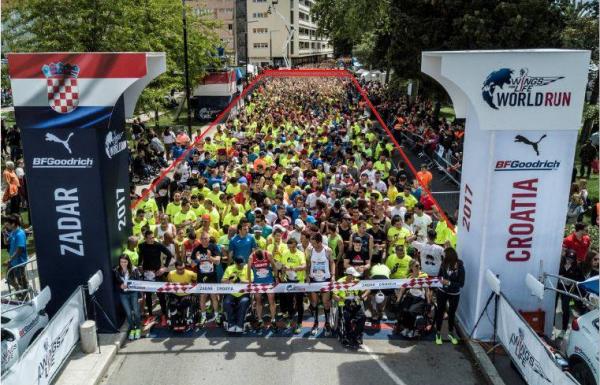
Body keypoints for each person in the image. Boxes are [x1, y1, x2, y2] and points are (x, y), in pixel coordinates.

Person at [138, 230, 174, 327]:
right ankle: (150, 315)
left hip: (157, 273)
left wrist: (164, 268)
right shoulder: (141, 246)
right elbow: (140, 258)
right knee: (148, 296)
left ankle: (163, 315)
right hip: (147, 273)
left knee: (161, 296)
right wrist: (139, 266)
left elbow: (170, 255)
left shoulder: (158, 245)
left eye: (152, 237)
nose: (151, 240)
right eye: (149, 238)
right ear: (145, 238)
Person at [306, 233, 335, 336]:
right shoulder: (310, 250)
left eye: (313, 242)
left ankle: (327, 323)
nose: (311, 244)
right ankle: (315, 323)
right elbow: (308, 263)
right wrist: (307, 275)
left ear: (319, 242)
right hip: (314, 279)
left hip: (325, 279)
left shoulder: (327, 250)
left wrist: (333, 275)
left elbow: (332, 262)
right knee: (314, 302)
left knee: (325, 302)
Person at [332, 267, 368, 349]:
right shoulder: (340, 282)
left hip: (355, 303)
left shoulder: (357, 281)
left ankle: (355, 335)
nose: (354, 278)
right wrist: (341, 299)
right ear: (348, 275)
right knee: (346, 318)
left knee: (363, 317)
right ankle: (347, 336)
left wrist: (362, 296)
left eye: (355, 276)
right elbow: (334, 295)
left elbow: (367, 289)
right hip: (344, 304)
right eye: (353, 276)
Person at [435, 248, 465, 345]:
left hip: (454, 294)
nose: (443, 256)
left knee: (452, 314)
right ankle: (438, 333)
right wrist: (440, 280)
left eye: (444, 255)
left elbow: (461, 284)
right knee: (440, 311)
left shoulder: (460, 266)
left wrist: (449, 282)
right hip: (442, 291)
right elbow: (439, 276)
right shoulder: (444, 263)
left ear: (450, 256)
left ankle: (451, 333)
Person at [190, 232, 222, 325]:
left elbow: (218, 262)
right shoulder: (197, 249)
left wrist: (209, 257)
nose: (204, 240)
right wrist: (197, 259)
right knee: (203, 296)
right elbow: (192, 264)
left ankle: (216, 315)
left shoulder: (214, 247)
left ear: (209, 238)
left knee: (214, 296)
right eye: (202, 239)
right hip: (201, 276)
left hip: (212, 275)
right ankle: (203, 316)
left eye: (206, 238)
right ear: (200, 239)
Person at [395, 259, 432, 338]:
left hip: (419, 298)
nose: (419, 267)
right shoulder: (409, 277)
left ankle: (411, 329)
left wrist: (429, 302)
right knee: (404, 310)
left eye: (419, 265)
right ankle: (407, 328)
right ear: (411, 267)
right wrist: (398, 300)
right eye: (416, 266)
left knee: (411, 311)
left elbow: (427, 290)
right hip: (410, 297)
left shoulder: (424, 276)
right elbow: (402, 290)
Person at [278, 237, 307, 334]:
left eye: (291, 246)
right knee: (289, 301)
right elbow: (282, 266)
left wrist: (294, 268)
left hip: (299, 281)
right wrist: (282, 275)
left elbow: (304, 266)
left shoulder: (300, 254)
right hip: (288, 280)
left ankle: (299, 322)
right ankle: (290, 318)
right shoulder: (285, 253)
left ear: (295, 244)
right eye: (288, 246)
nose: (290, 248)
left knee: (299, 302)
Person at [114, 255, 142, 340]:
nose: (123, 264)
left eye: (125, 262)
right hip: (123, 294)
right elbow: (115, 283)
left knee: (136, 312)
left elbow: (138, 282)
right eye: (121, 262)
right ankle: (132, 329)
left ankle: (138, 328)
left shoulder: (134, 269)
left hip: (133, 293)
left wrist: (140, 296)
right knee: (128, 313)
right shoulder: (116, 270)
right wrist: (120, 286)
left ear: (128, 262)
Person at [247, 249, 277, 329]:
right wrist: (250, 281)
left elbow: (274, 265)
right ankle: (260, 320)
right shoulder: (251, 257)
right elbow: (248, 269)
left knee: (272, 301)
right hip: (257, 282)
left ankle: (273, 319)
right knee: (258, 300)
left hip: (269, 281)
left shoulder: (268, 254)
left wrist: (276, 278)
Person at [556, 249, 583, 336]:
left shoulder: (577, 267)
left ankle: (564, 329)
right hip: (557, 286)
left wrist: (572, 281)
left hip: (567, 289)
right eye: (568, 258)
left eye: (571, 259)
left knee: (565, 307)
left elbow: (581, 279)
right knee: (553, 304)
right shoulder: (560, 263)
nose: (569, 260)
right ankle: (551, 322)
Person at [222, 256, 252, 333]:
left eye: (242, 264)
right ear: (235, 263)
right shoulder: (229, 268)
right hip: (231, 292)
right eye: (239, 265)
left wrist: (241, 281)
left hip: (243, 292)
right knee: (226, 303)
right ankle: (231, 324)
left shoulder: (248, 268)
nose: (241, 266)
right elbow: (222, 281)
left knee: (243, 302)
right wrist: (230, 280)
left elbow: (251, 282)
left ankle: (239, 325)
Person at [166, 261, 198, 331]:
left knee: (185, 303)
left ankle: (187, 319)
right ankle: (174, 318)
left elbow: (195, 281)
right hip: (175, 294)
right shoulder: (171, 274)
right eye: (179, 269)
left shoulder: (190, 273)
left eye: (183, 268)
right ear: (176, 268)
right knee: (171, 304)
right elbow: (168, 283)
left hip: (186, 294)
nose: (182, 270)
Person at [3, 215, 28, 292]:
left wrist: (9, 260)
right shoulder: (13, 232)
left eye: (8, 224)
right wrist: (4, 234)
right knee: (9, 278)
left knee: (22, 282)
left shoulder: (19, 234)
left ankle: (25, 296)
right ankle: (18, 290)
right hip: (13, 261)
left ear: (13, 224)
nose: (7, 226)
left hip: (19, 262)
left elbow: (19, 250)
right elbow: (6, 242)